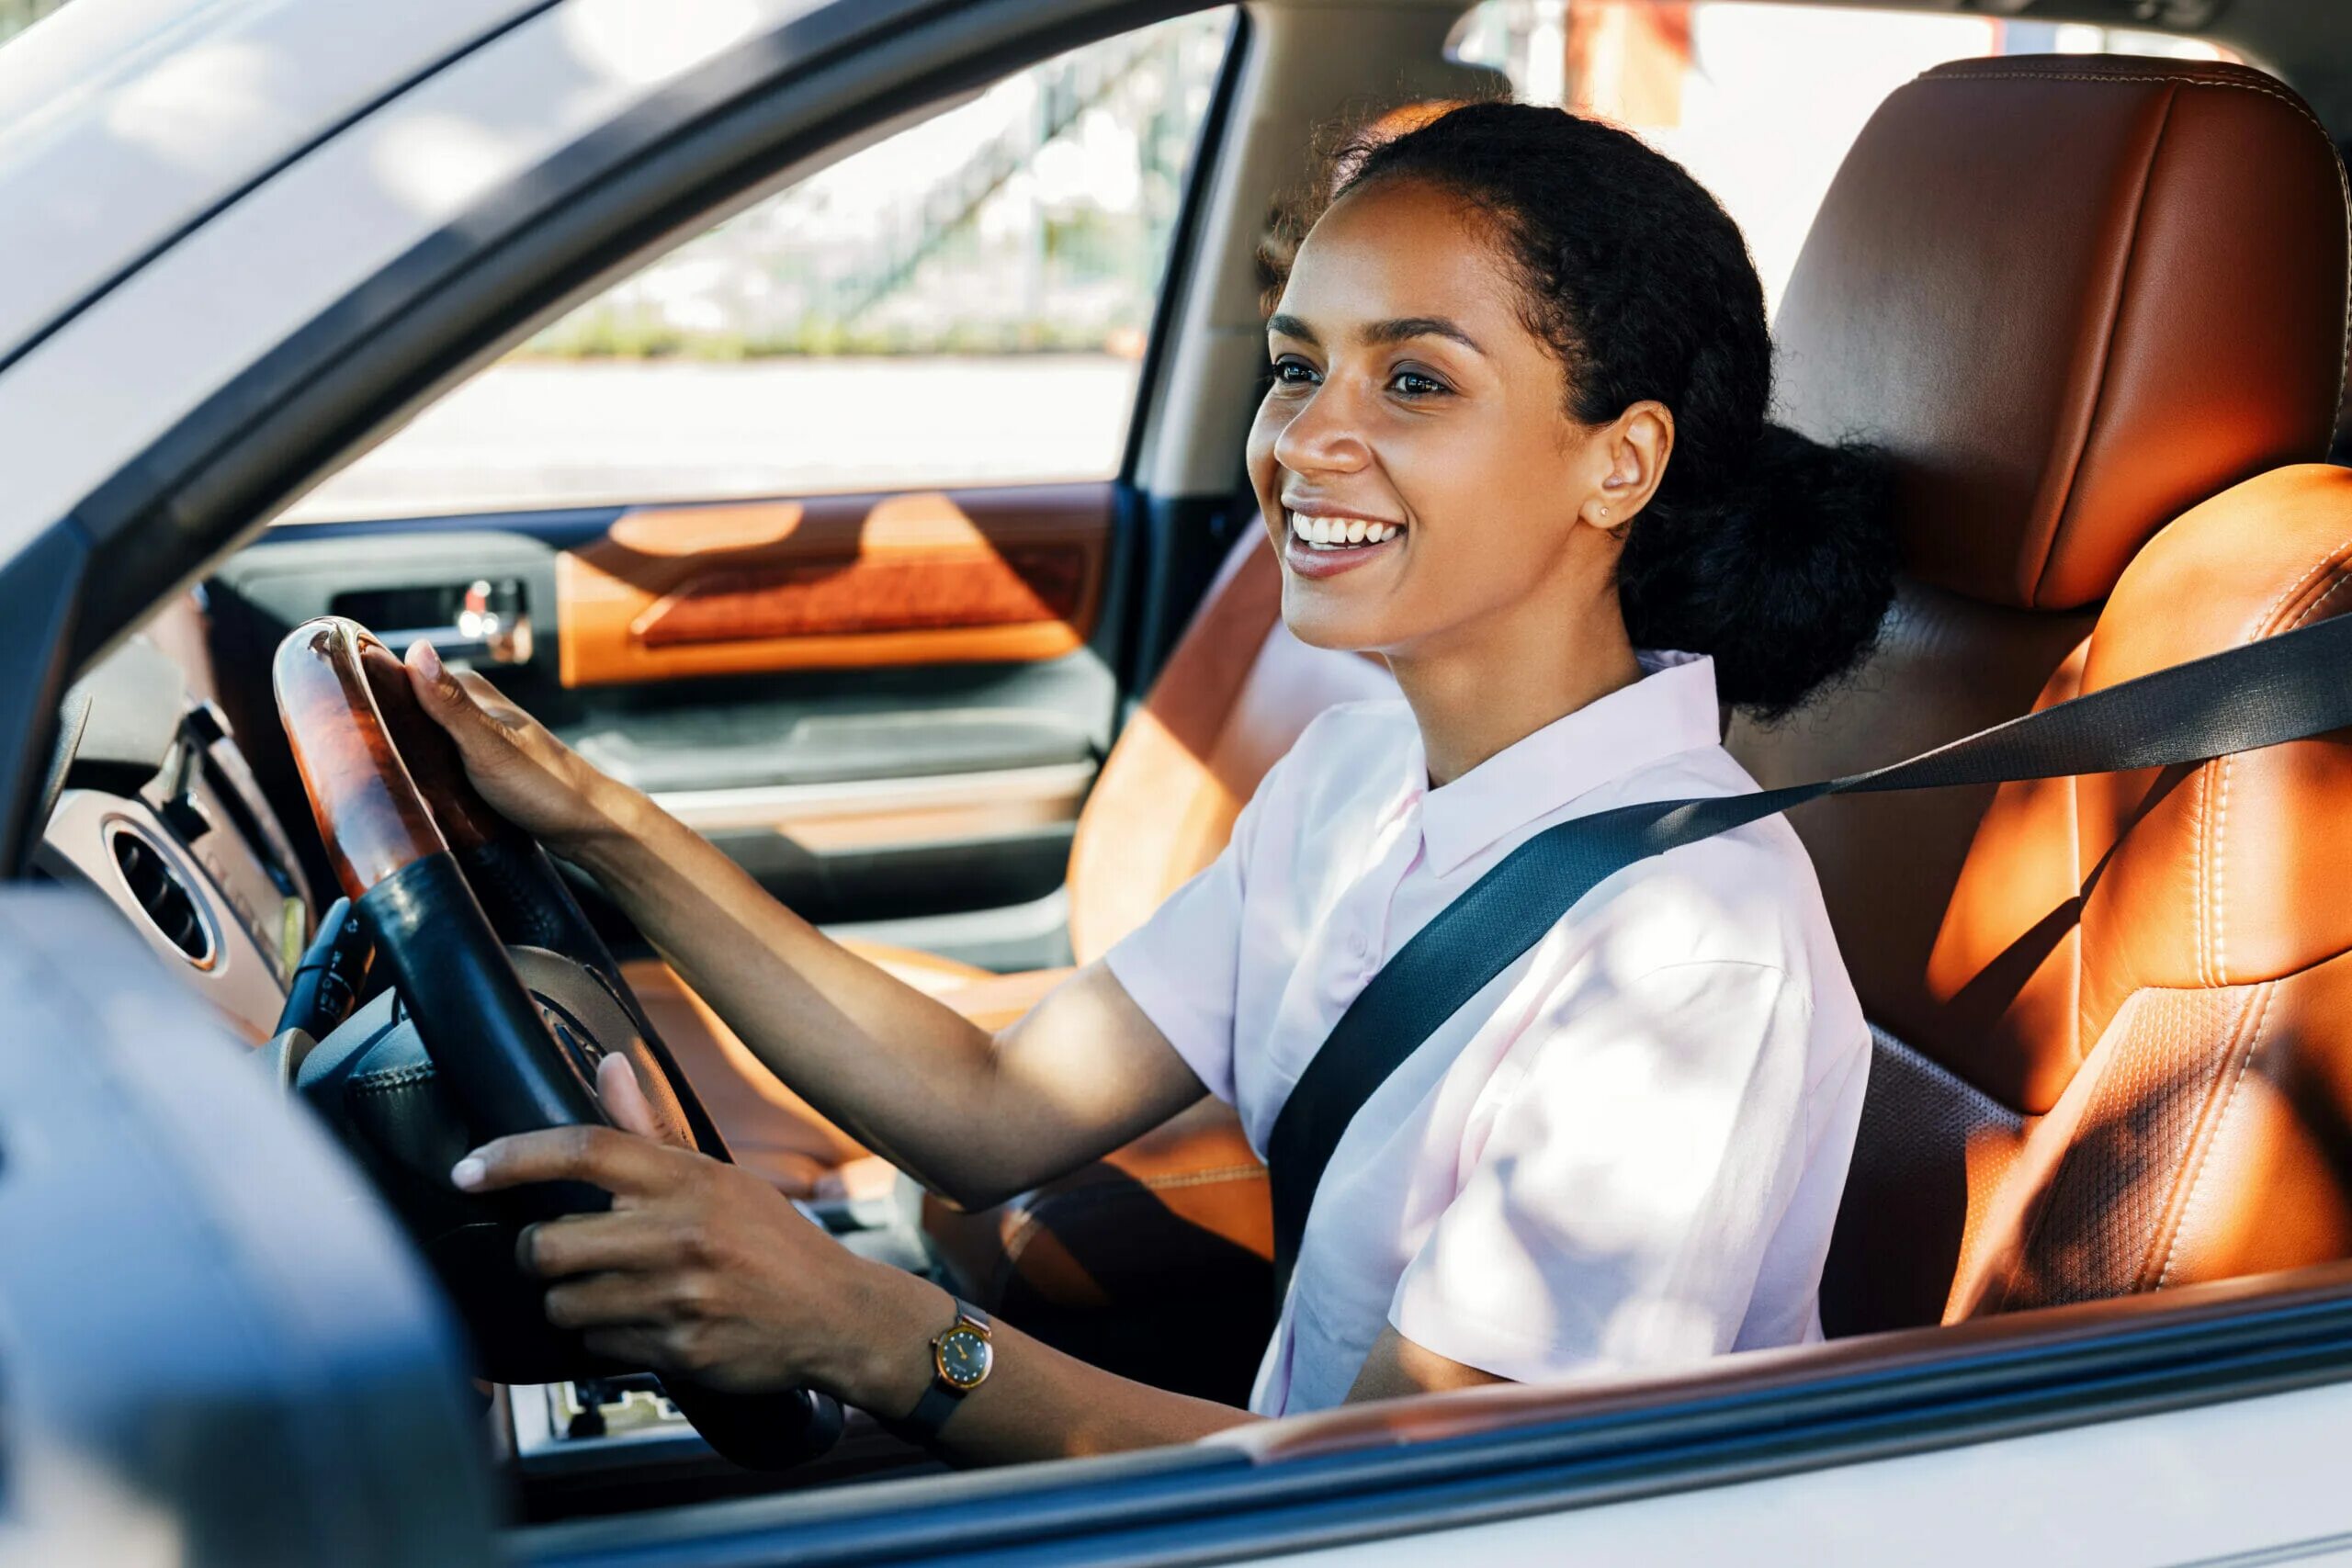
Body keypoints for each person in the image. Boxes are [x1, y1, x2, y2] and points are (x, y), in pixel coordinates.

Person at [415, 100, 1894, 1464]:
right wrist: (596, 823)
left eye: (1416, 379)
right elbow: (990, 1106)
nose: (1307, 440)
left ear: (1620, 464)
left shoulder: (1686, 949)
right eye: (1298, 366)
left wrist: (864, 1326)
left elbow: (1413, 1502)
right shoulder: (1357, 773)